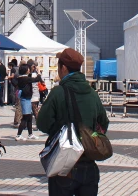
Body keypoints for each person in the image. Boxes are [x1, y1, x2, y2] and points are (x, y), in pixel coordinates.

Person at [37, 48, 109, 196]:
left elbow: (42, 123)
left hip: (64, 166)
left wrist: (59, 131)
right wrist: (89, 137)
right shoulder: (92, 93)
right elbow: (104, 123)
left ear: (63, 68)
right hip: (89, 165)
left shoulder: (58, 92)